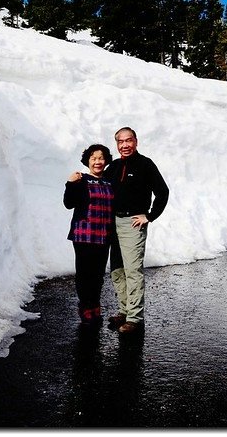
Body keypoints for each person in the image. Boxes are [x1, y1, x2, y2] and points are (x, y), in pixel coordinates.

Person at [104, 127, 169, 334]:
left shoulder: (145, 165)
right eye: (120, 142)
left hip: (132, 224)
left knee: (132, 271)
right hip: (112, 223)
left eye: (128, 140)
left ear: (136, 142)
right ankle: (124, 310)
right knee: (117, 270)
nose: (124, 145)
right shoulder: (113, 167)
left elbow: (162, 192)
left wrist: (149, 216)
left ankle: (134, 318)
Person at [63, 144, 115, 326]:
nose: (97, 162)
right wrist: (70, 184)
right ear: (88, 161)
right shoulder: (81, 180)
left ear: (106, 160)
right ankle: (85, 306)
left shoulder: (110, 181)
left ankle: (95, 305)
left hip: (104, 235)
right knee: (85, 273)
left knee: (98, 274)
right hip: (84, 234)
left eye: (101, 158)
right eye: (93, 158)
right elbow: (69, 203)